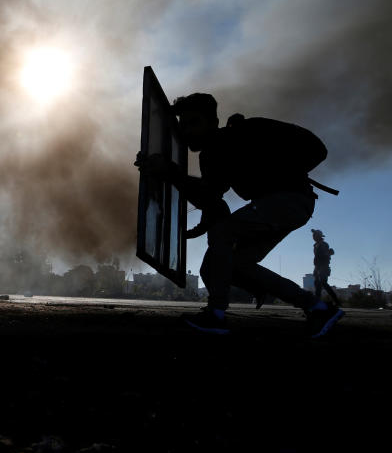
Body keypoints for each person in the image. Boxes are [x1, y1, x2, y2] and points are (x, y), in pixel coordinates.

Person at [135, 93, 343, 337]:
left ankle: (216, 315)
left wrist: (284, 174)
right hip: (277, 206)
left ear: (213, 122)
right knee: (218, 266)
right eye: (183, 124)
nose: (186, 130)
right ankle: (318, 308)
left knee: (223, 233)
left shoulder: (244, 131)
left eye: (193, 122)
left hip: (291, 201)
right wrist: (168, 174)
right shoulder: (210, 155)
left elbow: (317, 149)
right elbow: (210, 196)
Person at [311, 229, 341, 306]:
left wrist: (327, 254)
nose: (313, 237)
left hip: (323, 266)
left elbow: (326, 255)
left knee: (323, 283)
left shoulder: (324, 244)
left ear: (318, 236)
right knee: (317, 284)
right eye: (313, 235)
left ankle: (336, 301)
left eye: (315, 235)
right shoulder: (315, 245)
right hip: (317, 267)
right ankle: (317, 302)